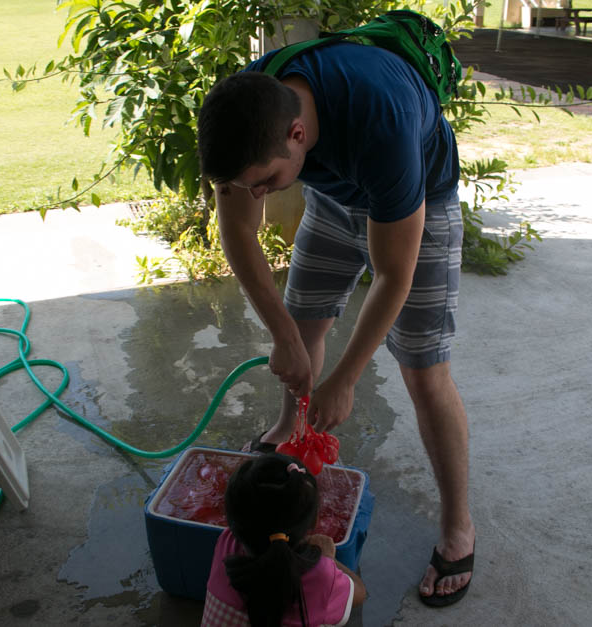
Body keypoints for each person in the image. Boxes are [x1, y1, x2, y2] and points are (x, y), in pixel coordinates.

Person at [197, 38, 475, 607]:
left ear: (297, 135)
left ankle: (458, 527)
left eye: (266, 183)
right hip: (332, 197)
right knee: (301, 327)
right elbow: (239, 232)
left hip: (417, 202)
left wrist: (345, 378)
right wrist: (284, 338)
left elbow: (394, 275)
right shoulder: (250, 109)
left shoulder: (381, 124)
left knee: (424, 371)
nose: (257, 196)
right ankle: (291, 438)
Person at [202, 452, 367, 626]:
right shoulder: (320, 575)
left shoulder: (226, 541)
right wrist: (328, 558)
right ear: (314, 520)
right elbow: (360, 592)